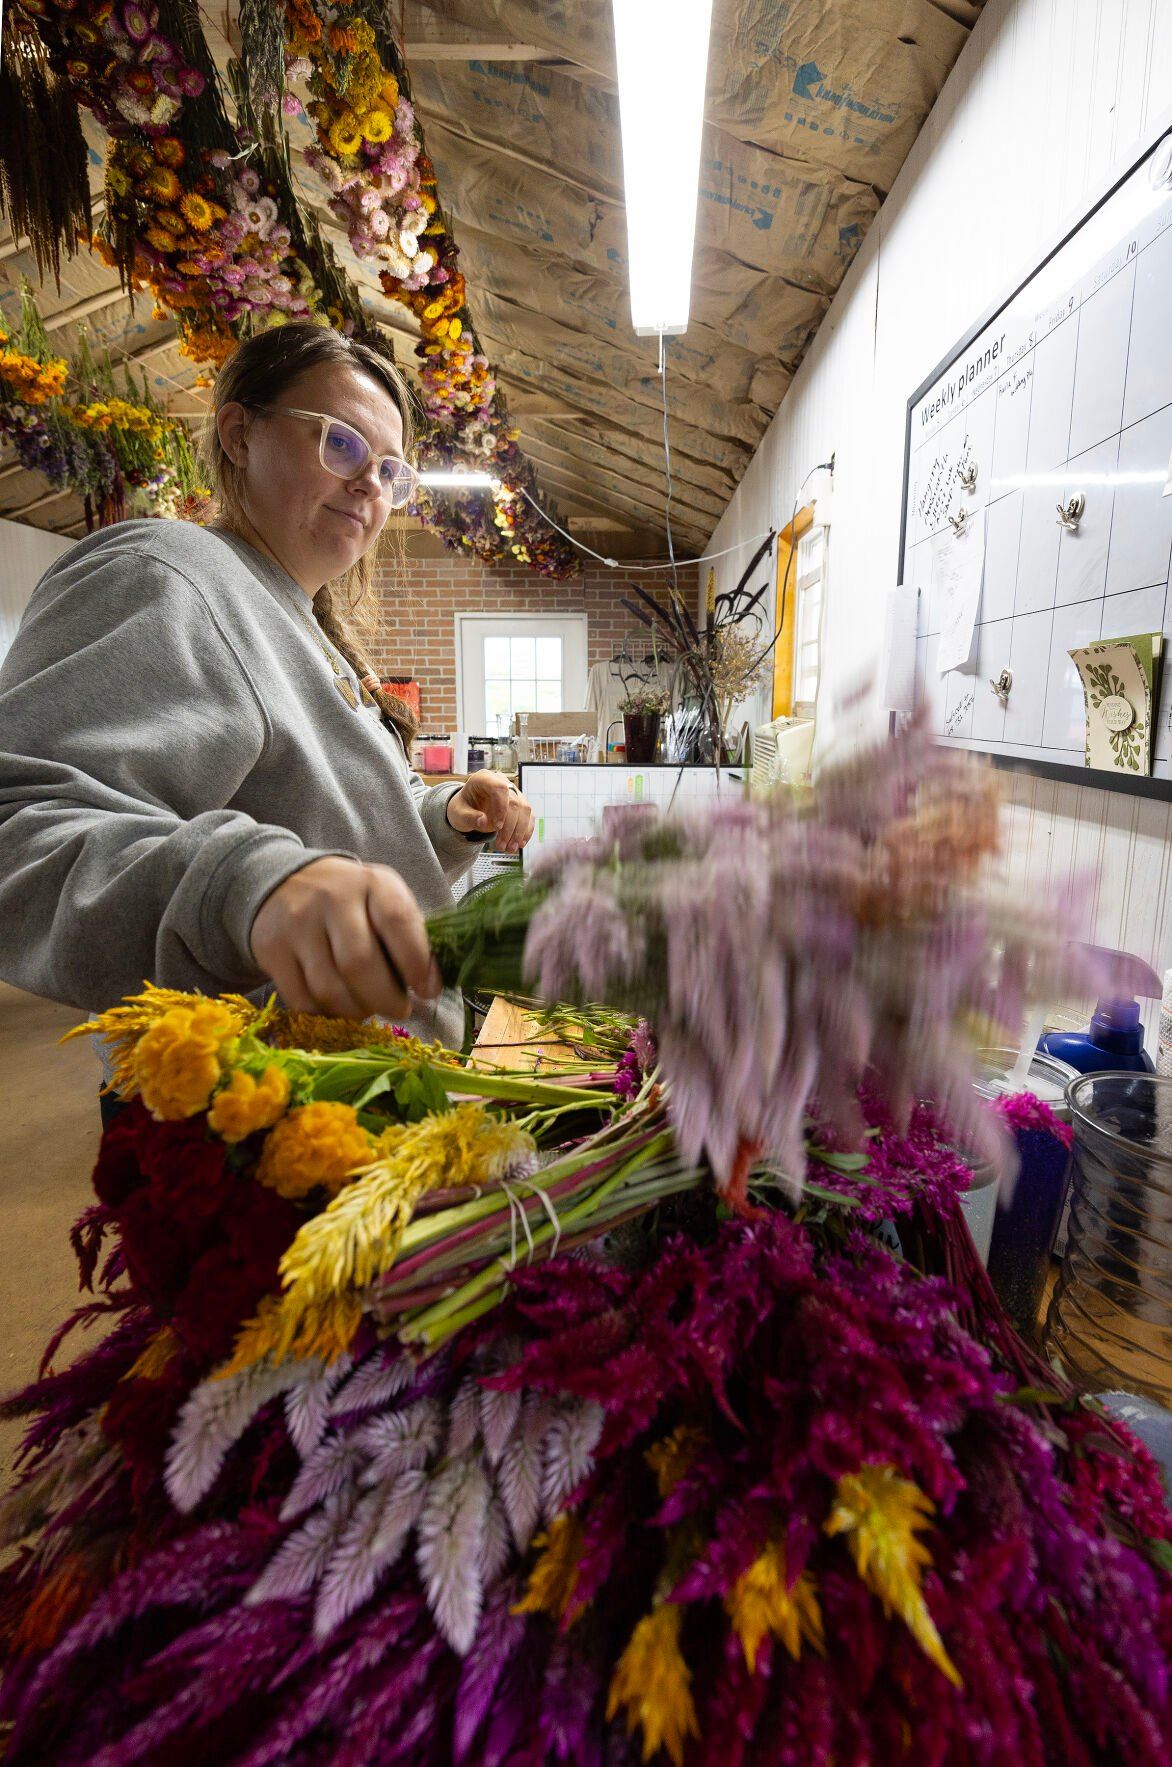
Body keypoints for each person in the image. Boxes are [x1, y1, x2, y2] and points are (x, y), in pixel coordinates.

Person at [0, 322, 535, 1077]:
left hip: (376, 1080)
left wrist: (444, 815)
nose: (370, 486)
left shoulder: (299, 621)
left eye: (390, 470)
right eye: (342, 443)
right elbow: (19, 828)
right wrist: (251, 887)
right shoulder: (169, 576)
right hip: (267, 1112)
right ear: (240, 434)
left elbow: (322, 815)